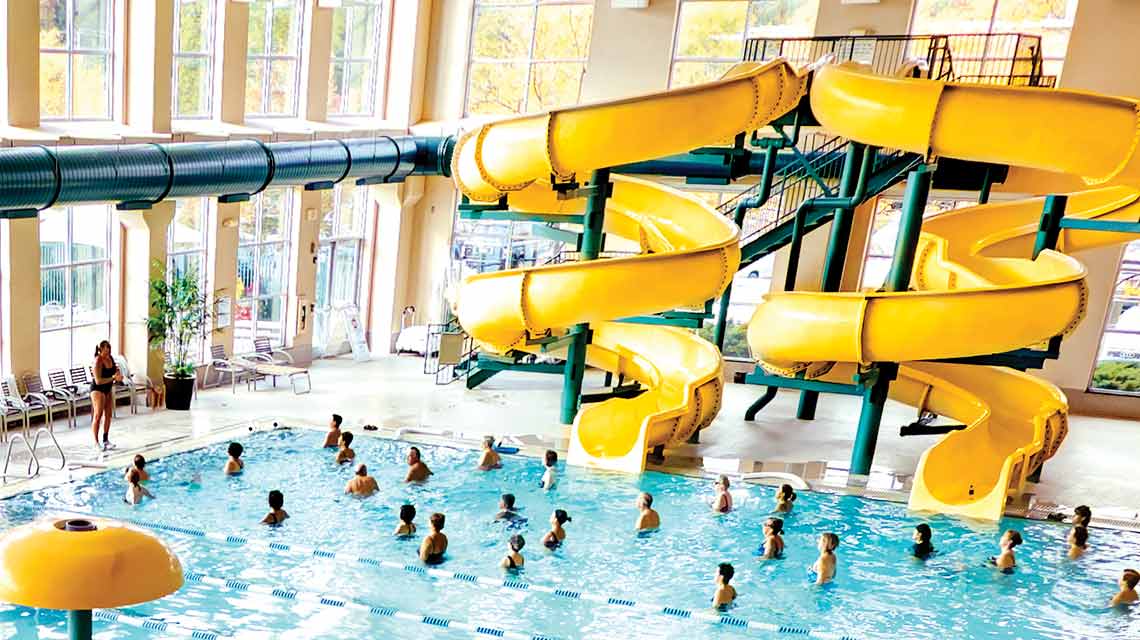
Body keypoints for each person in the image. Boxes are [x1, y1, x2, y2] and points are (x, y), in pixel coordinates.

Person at [89, 340, 123, 452]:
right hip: (98, 390)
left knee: (108, 415)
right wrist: (113, 378)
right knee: (98, 415)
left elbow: (115, 371)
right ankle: (95, 442)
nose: (107, 351)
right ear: (100, 350)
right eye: (105, 349)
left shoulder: (110, 358)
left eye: (108, 349)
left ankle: (105, 440)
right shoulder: (97, 361)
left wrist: (118, 375)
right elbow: (98, 381)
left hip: (108, 388)